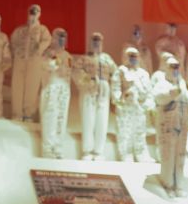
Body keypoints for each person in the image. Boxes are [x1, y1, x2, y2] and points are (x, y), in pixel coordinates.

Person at [73, 32, 117, 161]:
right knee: (88, 119)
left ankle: (99, 150)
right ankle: (87, 150)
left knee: (102, 120)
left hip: (103, 89)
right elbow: (76, 72)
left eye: (99, 41)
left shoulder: (107, 59)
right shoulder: (84, 58)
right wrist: (87, 80)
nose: (96, 43)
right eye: (94, 40)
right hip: (89, 88)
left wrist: (114, 93)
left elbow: (115, 74)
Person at [152, 56, 188, 195]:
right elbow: (158, 97)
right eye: (172, 67)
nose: (175, 70)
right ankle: (167, 184)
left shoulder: (182, 83)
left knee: (180, 155)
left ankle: (178, 184)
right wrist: (170, 94)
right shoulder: (162, 83)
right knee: (168, 155)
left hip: (182, 124)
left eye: (177, 66)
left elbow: (187, 100)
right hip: (168, 126)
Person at [111, 47, 153, 163]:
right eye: (130, 56)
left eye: (135, 56)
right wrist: (120, 100)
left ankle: (140, 153)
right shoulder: (121, 71)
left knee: (140, 131)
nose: (133, 59)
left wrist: (147, 104)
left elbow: (149, 91)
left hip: (139, 108)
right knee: (125, 131)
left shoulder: (143, 73)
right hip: (125, 107)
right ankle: (126, 154)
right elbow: (115, 88)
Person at [9, 4, 51, 122]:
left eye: (36, 12)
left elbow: (47, 40)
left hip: (34, 61)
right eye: (32, 12)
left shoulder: (42, 29)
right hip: (20, 61)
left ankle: (28, 114)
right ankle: (16, 114)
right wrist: (16, 52)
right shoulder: (20, 30)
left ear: (39, 14)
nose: (33, 14)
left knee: (32, 87)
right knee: (17, 86)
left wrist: (39, 49)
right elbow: (13, 41)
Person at [39, 28, 72, 159]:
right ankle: (48, 148)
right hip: (51, 87)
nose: (61, 39)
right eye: (59, 36)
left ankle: (58, 147)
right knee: (50, 117)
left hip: (64, 89)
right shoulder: (48, 53)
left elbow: (69, 73)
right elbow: (47, 66)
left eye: (64, 36)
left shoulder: (68, 56)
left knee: (61, 118)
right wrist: (54, 62)